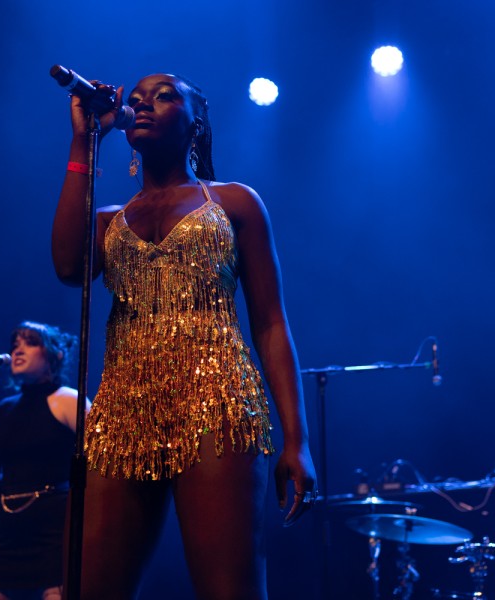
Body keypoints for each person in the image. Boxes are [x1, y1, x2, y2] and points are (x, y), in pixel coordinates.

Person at [51, 73, 317, 599]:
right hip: (122, 409)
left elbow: (270, 322)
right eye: (137, 99)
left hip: (216, 402)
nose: (144, 103)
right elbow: (66, 266)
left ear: (196, 122)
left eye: (164, 95)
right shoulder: (108, 219)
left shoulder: (234, 202)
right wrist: (84, 139)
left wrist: (298, 440)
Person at [0, 321, 87, 600]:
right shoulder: (3, 410)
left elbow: (101, 459)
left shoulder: (68, 400)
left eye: (30, 342)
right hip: (9, 530)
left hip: (53, 531)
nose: (17, 349)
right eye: (15, 344)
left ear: (54, 355)